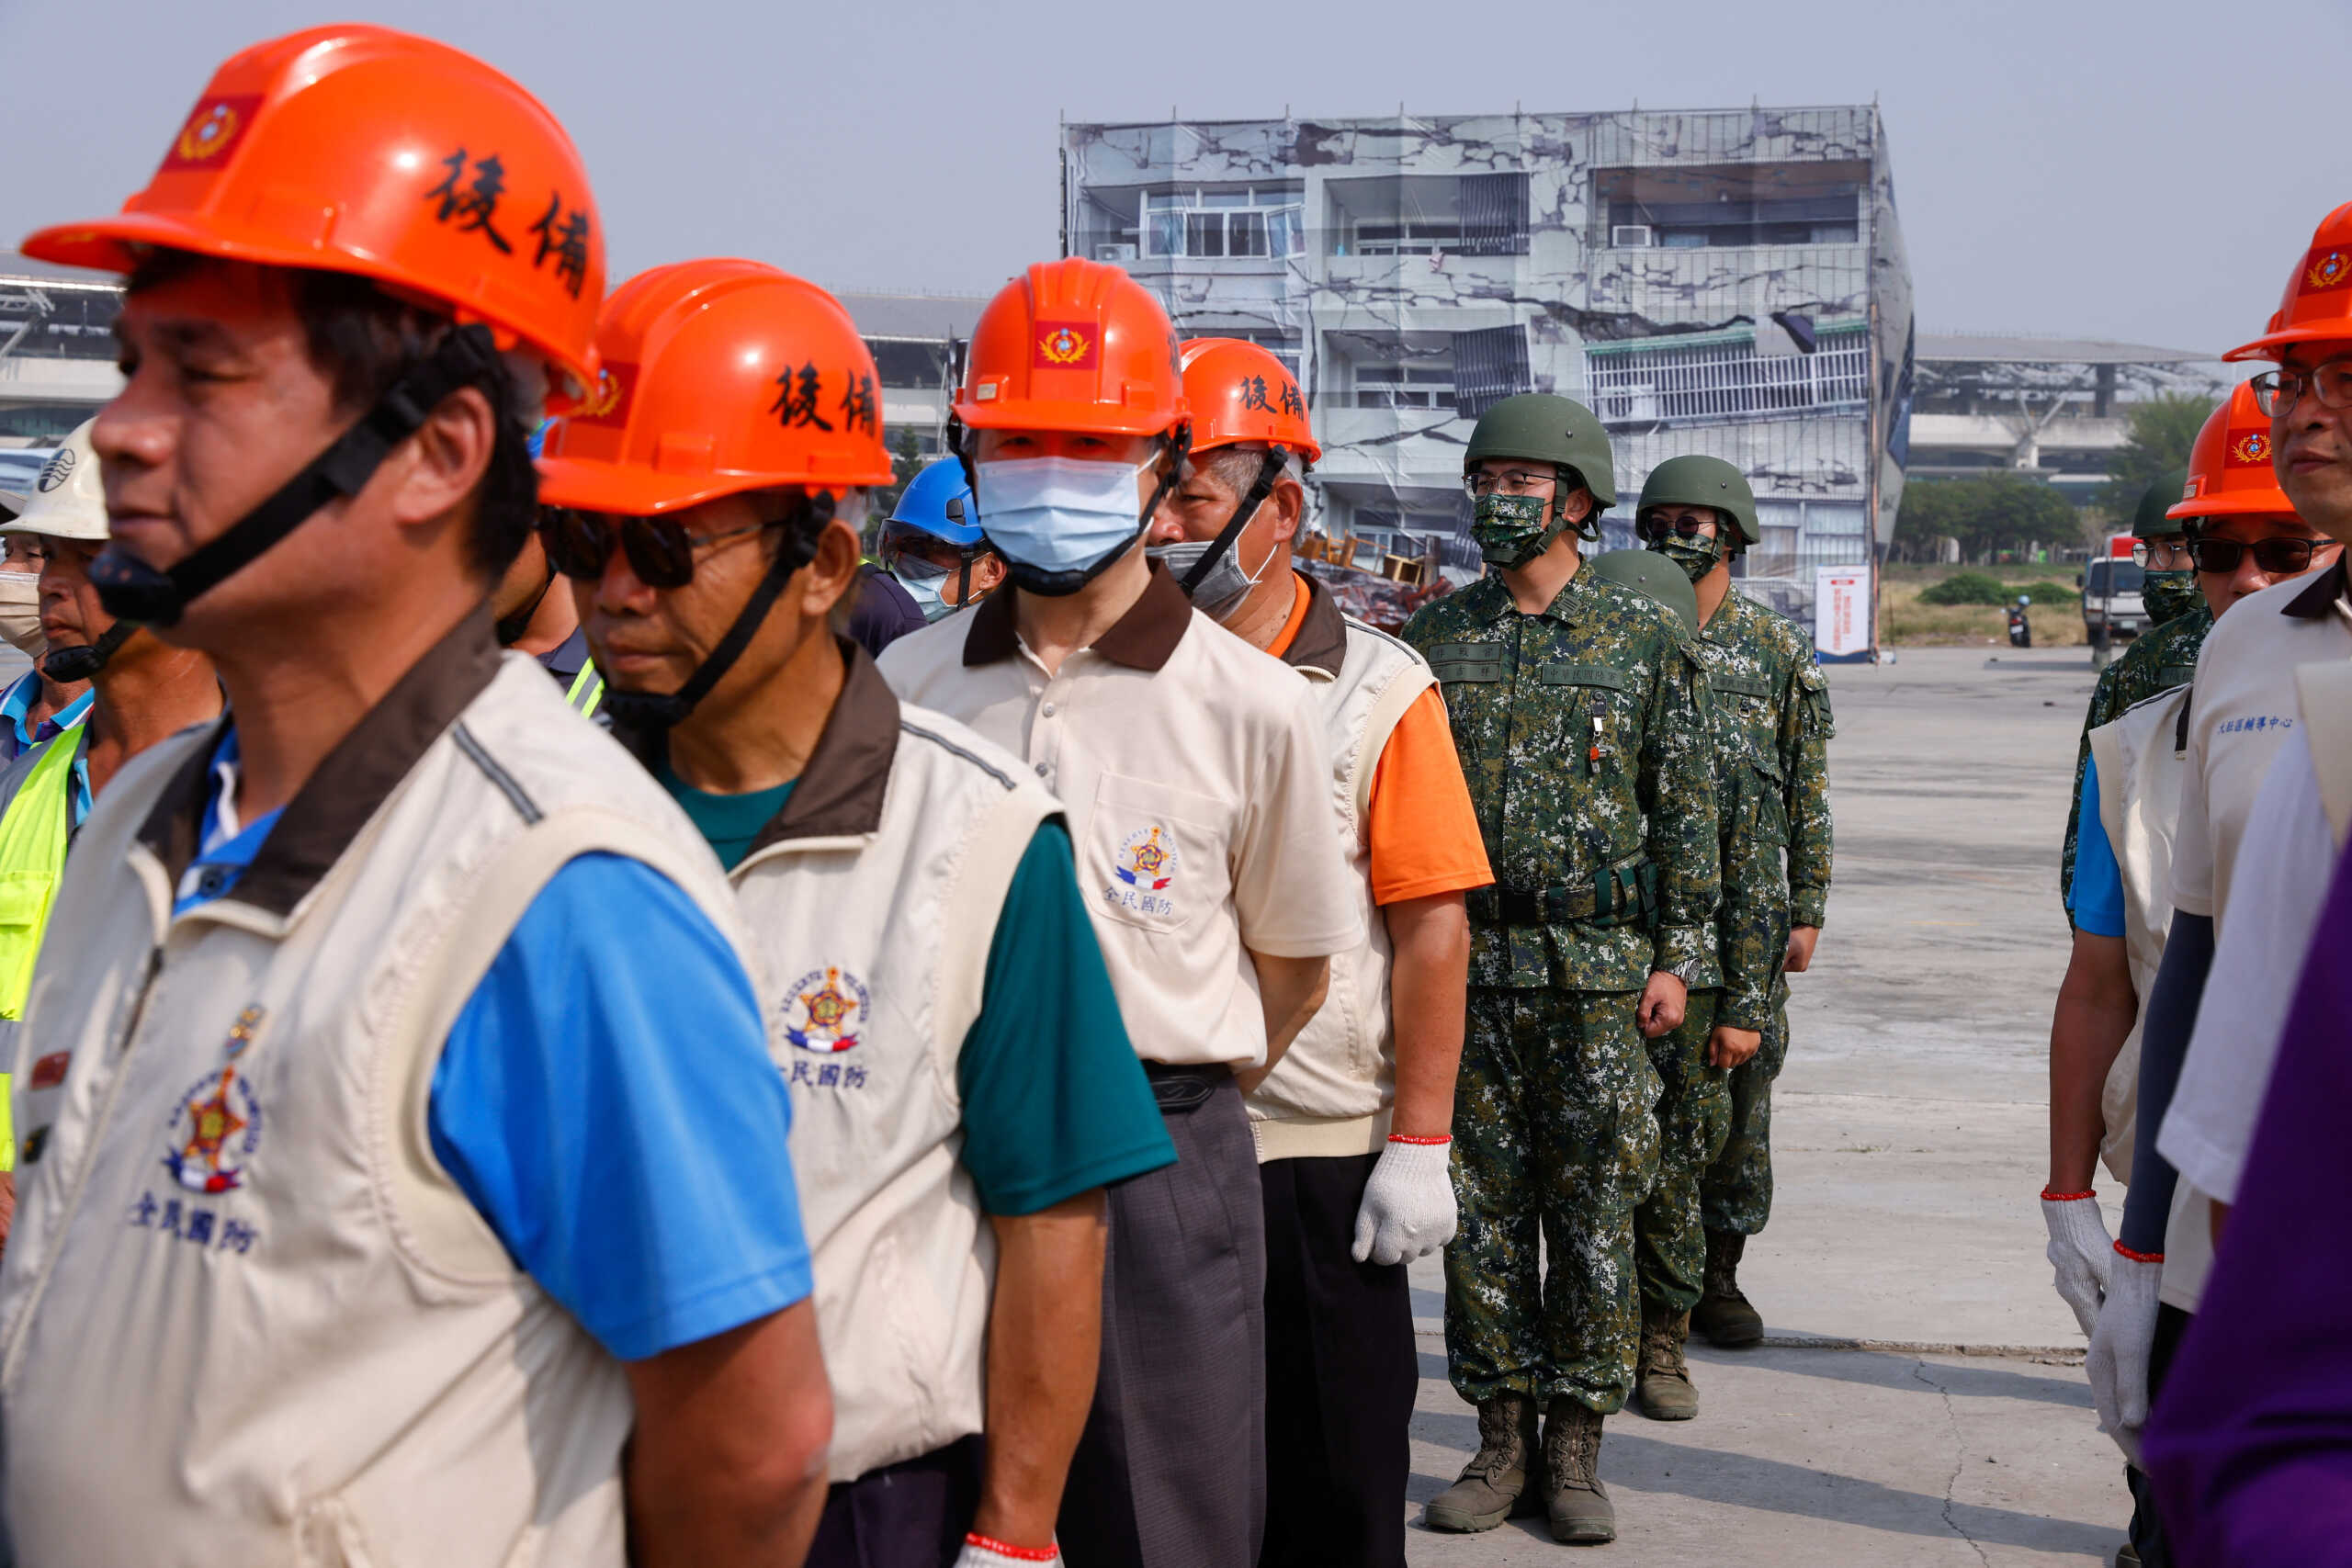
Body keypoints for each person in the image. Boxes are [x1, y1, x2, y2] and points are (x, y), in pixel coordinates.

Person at [0, 28, 831, 1564]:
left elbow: (755, 1442)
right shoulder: (140, 812)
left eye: (205, 373)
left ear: (439, 450)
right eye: (130, 365)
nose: (120, 429)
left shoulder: (555, 891)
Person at [544, 255, 1177, 1568]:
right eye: (583, 541)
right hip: (563, 1491)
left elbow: (1054, 1224)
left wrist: (1015, 1535)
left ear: (825, 561)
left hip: (858, 1506)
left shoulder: (979, 841)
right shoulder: (530, 822)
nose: (615, 592)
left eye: (663, 546)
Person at [879, 258, 1361, 1568]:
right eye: (1019, 440)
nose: (1051, 471)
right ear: (969, 451)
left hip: (1162, 1151)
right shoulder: (902, 686)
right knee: (935, 1494)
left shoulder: (1251, 703)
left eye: (1088, 444)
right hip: (937, 1147)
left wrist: (1149, 1085)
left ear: (1158, 465)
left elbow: (1295, 967)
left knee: (1166, 1517)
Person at [1148, 336, 1491, 1568]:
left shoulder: (1377, 692)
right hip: (1148, 1145)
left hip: (1317, 1153)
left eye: (1190, 492)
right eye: (1148, 485)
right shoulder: (1113, 673)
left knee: (1336, 1483)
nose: (1159, 521)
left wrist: (1419, 1141)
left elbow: (1432, 925)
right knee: (1170, 1486)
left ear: (1279, 507)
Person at [1404, 394, 1719, 1545]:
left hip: (1598, 977)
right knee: (1479, 1217)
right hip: (1465, 970)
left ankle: (1577, 1449)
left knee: (1592, 1217)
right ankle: (1498, 1443)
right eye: (1486, 480)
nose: (1499, 500)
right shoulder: (1436, 639)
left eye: (1523, 482)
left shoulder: (1642, 640)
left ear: (1576, 501)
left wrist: (1682, 959)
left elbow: (1686, 812)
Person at [2050, 385, 2332, 1565]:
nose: (2248, 577)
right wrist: (2096, 1215)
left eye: (2281, 548)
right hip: (2214, 1201)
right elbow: (2126, 979)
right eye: (2222, 550)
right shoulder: (2151, 732)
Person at [1631, 457, 1834, 1401]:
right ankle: (1646, 1299)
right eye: (1662, 517)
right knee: (1658, 1126)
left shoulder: (1770, 650)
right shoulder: (1625, 632)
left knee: (1740, 1117)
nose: (1680, 533)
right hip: (1656, 923)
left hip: (1749, 921)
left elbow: (1805, 788)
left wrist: (1807, 903)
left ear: (1734, 535)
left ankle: (1720, 1278)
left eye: (1697, 519)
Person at [2059, 470, 2206, 917]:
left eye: (2174, 550)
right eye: (2150, 551)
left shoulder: (2146, 659)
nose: (2158, 567)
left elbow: (2099, 822)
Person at [881, 458, 1004, 621]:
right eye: (900, 550)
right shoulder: (893, 635)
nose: (902, 572)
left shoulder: (1011, 644)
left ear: (991, 570)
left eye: (923, 551)